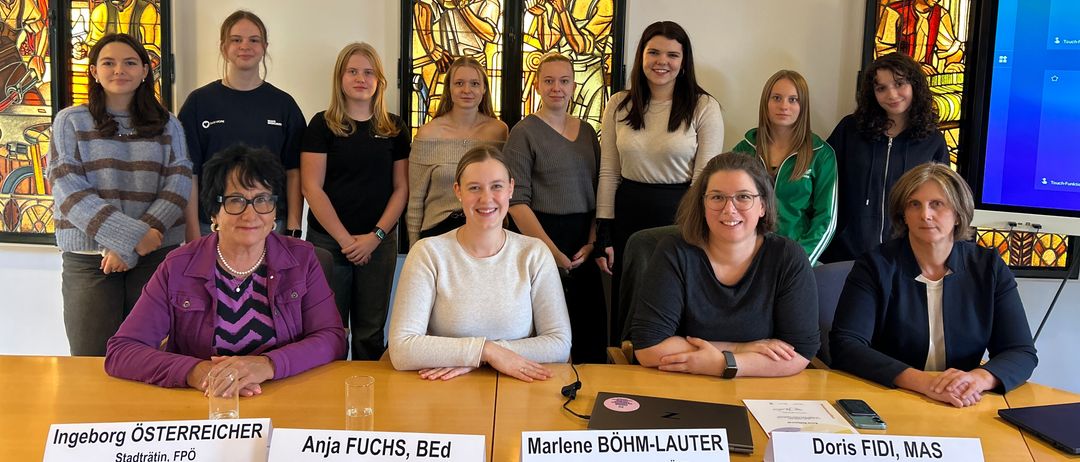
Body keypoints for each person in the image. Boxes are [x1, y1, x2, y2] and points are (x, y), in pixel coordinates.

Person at [105, 145, 347, 397]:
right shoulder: (177, 266)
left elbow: (332, 338)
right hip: (204, 403)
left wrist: (268, 364)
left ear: (275, 209)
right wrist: (197, 371)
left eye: (262, 200)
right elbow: (122, 350)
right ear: (214, 212)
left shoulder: (302, 258)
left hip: (284, 396)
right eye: (236, 201)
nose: (251, 214)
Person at [830, 163, 1037, 407]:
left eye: (936, 204)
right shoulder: (875, 265)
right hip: (890, 398)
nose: (925, 215)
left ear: (959, 213)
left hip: (962, 401)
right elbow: (846, 345)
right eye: (914, 204)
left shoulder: (988, 267)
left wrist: (978, 379)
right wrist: (924, 383)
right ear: (903, 215)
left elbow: (1021, 352)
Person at [47, 33, 190, 356]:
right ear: (95, 72)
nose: (119, 70)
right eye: (108, 63)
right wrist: (132, 237)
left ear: (144, 70)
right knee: (91, 359)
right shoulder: (71, 121)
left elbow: (178, 182)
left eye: (129, 63)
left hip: (155, 257)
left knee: (153, 358)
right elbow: (66, 187)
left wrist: (141, 241)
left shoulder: (168, 125)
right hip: (91, 261)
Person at [388, 146, 572, 381]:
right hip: (442, 393)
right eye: (474, 188)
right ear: (458, 191)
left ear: (511, 189)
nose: (487, 199)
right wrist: (487, 352)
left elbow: (559, 343)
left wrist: (475, 358)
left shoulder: (534, 253)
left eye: (497, 186)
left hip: (519, 391)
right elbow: (402, 348)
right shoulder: (428, 253)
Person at [630, 153, 819, 378]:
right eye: (717, 197)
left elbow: (799, 353)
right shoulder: (675, 252)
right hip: (682, 385)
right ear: (703, 204)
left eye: (743, 197)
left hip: (760, 393)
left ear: (763, 206)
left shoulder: (787, 257)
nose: (729, 209)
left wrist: (722, 364)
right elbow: (649, 348)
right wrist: (738, 349)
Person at [594, 20, 723, 343]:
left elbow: (704, 180)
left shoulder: (704, 107)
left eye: (671, 54)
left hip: (680, 216)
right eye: (653, 52)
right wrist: (604, 232)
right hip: (628, 216)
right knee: (630, 304)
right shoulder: (619, 104)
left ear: (683, 62)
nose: (661, 61)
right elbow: (609, 171)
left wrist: (695, 228)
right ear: (641, 56)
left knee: (673, 304)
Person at [301, 42, 410, 361]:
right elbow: (311, 187)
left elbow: (401, 189)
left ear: (379, 80)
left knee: (370, 333)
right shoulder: (321, 124)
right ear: (340, 78)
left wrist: (374, 238)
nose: (361, 78)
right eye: (353, 71)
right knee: (328, 332)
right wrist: (346, 240)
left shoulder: (394, 128)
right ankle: (327, 406)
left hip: (379, 243)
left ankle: (369, 405)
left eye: (368, 72)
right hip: (328, 244)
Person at [505, 53, 606, 363]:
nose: (556, 88)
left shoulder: (588, 132)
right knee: (545, 336)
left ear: (574, 85)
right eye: (548, 81)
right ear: (537, 86)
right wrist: (549, 251)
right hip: (540, 238)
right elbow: (515, 200)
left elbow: (599, 187)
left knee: (590, 334)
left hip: (583, 242)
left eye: (564, 81)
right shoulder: (524, 132)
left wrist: (592, 242)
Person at [179, 10, 305, 242]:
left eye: (253, 40)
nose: (244, 46)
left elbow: (294, 171)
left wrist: (294, 228)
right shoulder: (198, 103)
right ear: (223, 47)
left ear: (265, 46)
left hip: (270, 225)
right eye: (236, 40)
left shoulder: (284, 105)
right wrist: (193, 234)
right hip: (212, 226)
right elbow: (189, 174)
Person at [821, 52, 947, 263]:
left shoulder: (932, 141)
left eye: (899, 84)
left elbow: (942, 200)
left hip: (905, 257)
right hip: (845, 256)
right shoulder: (850, 130)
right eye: (881, 88)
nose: (892, 94)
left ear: (914, 85)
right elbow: (823, 183)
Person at [732, 70, 837, 265]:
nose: (784, 106)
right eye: (777, 98)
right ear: (766, 102)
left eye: (793, 100)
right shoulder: (745, 149)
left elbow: (826, 220)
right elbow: (728, 202)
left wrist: (801, 262)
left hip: (794, 257)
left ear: (803, 106)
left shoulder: (821, 155)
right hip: (745, 255)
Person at [407, 56, 507, 247]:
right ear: (449, 89)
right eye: (459, 83)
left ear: (484, 89)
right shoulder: (428, 133)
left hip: (488, 229)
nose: (467, 90)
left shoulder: (500, 132)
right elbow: (415, 200)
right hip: (439, 233)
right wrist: (414, 247)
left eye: (475, 83)